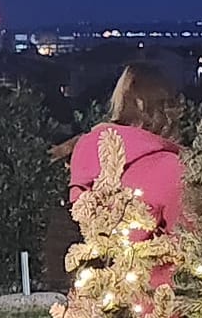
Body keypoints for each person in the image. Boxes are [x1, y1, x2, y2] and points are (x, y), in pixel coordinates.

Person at [69, 63, 187, 240]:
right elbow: (189, 244)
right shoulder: (172, 168)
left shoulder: (87, 154)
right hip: (154, 266)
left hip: (92, 265)